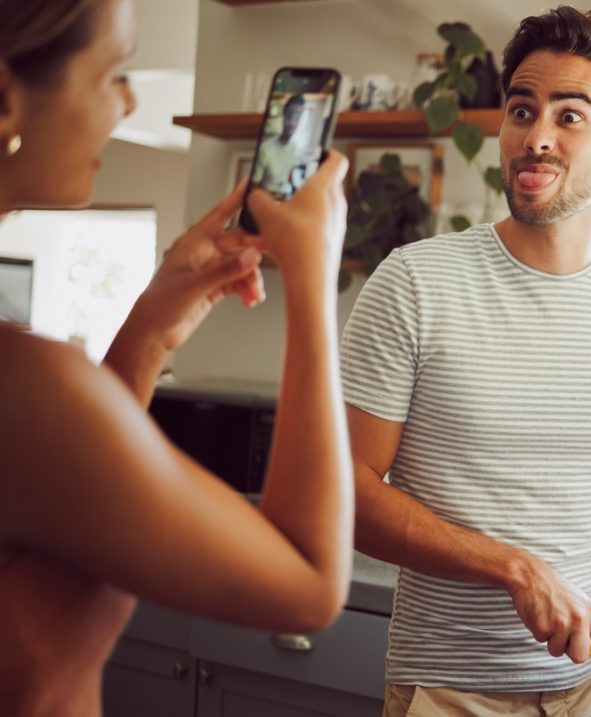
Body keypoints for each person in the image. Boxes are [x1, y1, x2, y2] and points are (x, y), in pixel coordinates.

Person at [342, 6, 591, 716]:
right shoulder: (416, 284)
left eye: (571, 116)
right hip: (449, 691)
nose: (536, 138)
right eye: (522, 110)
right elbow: (347, 492)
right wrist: (512, 566)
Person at [0, 0, 353, 714]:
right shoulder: (25, 383)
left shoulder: (35, 399)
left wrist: (149, 332)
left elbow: (63, 480)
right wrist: (311, 276)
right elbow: (310, 582)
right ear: (7, 100)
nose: (128, 103)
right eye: (115, 73)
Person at [254, 93, 306, 198]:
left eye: (297, 117)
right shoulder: (265, 149)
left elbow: (289, 175)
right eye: (290, 115)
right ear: (284, 116)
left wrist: (299, 193)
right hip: (266, 200)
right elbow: (255, 185)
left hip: (285, 199)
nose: (292, 122)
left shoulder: (294, 148)